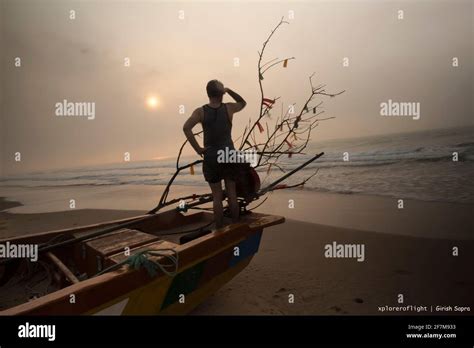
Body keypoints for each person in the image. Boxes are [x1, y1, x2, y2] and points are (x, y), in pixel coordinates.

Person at [183, 80, 246, 228]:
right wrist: (229, 90)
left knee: (217, 196)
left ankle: (219, 229)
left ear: (208, 93)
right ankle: (235, 226)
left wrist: (198, 149)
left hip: (211, 157)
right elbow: (243, 102)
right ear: (221, 93)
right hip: (229, 155)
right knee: (232, 193)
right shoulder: (229, 108)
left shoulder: (201, 111)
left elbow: (186, 128)